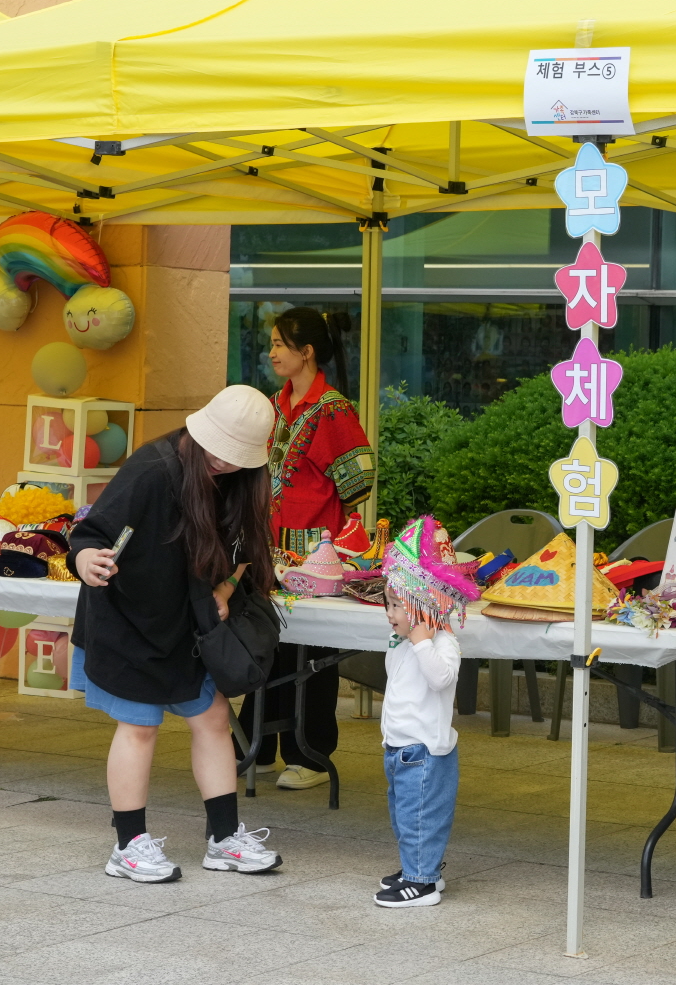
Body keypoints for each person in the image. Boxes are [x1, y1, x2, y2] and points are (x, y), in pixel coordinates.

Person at [68, 384, 282, 883]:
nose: (224, 463)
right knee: (139, 727)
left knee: (211, 717)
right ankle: (129, 846)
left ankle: (224, 838)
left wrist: (226, 590)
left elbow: (249, 544)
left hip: (189, 621)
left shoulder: (244, 478)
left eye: (236, 457)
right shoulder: (151, 469)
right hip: (128, 618)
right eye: (218, 450)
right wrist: (87, 562)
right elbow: (90, 534)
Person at [238, 306, 375, 791]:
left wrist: (317, 513)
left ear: (306, 351)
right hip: (270, 548)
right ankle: (262, 744)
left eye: (279, 343)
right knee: (268, 641)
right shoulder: (277, 405)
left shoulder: (331, 409)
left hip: (314, 554)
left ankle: (311, 754)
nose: (271, 351)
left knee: (310, 651)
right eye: (272, 343)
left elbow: (358, 477)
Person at [373, 577, 461, 908]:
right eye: (388, 604)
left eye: (398, 605)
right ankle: (420, 869)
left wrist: (424, 641)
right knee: (404, 817)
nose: (390, 613)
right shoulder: (402, 641)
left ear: (426, 608)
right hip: (398, 748)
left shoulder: (442, 643)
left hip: (424, 752)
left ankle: (422, 883)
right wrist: (411, 638)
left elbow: (441, 679)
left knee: (421, 818)